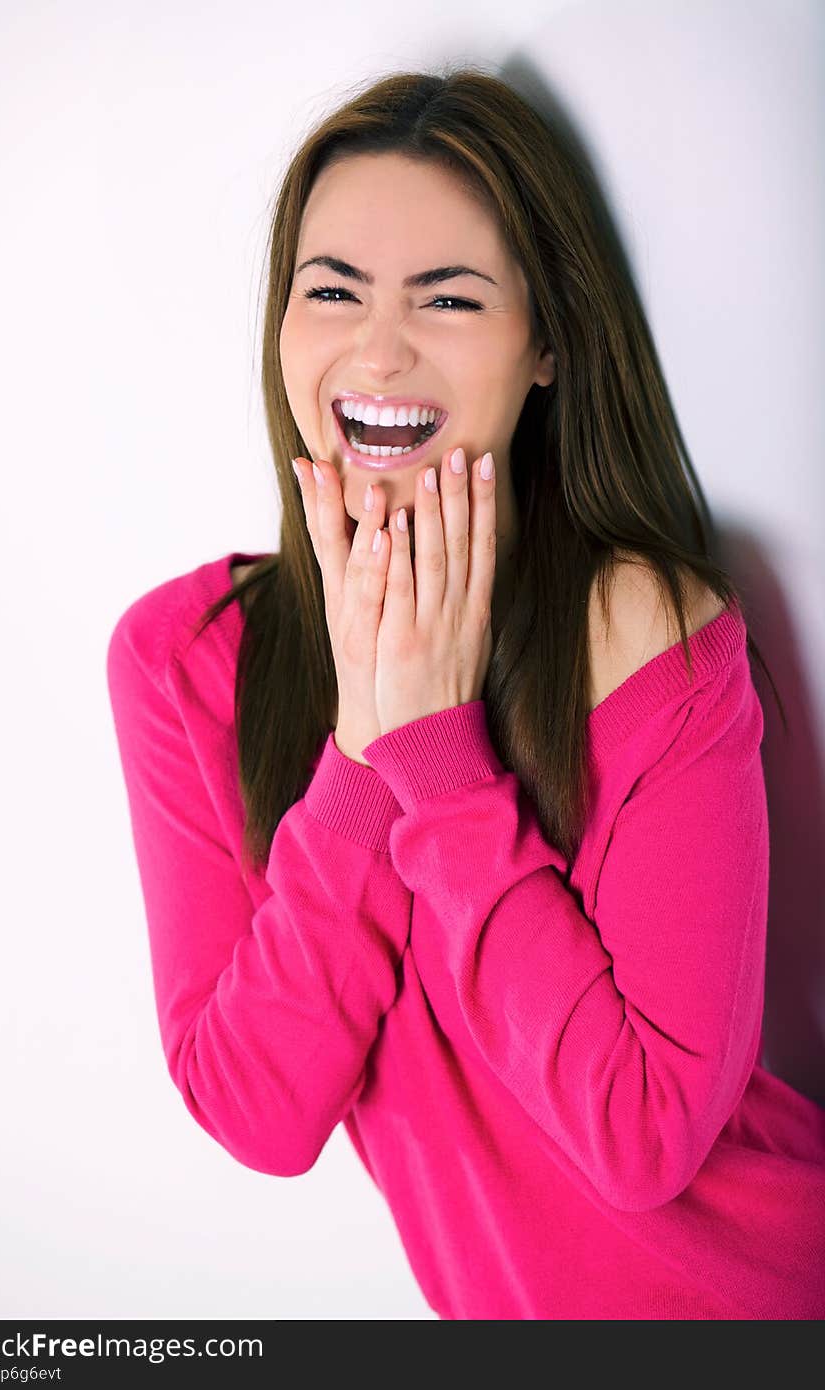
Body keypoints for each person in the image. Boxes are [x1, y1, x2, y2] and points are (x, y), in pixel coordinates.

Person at [106, 67, 825, 1320]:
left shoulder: (643, 626)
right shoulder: (185, 657)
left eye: (448, 298)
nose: (378, 350)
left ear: (545, 342)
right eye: (330, 291)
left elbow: (643, 1138)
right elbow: (256, 1109)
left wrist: (439, 757)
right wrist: (363, 746)